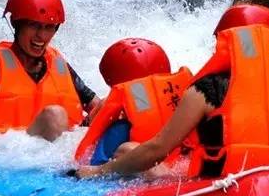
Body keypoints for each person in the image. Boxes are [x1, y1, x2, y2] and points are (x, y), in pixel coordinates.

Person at [74, 3, 269, 179]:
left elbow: (157, 149)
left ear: (226, 42)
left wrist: (99, 171)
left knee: (128, 150)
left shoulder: (206, 90)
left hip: (219, 185)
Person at [0, 0, 100, 141]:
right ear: (16, 23)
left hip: (65, 152)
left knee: (107, 105)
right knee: (54, 115)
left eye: (49, 27)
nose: (42, 36)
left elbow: (96, 106)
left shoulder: (57, 63)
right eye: (34, 25)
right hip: (9, 152)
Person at [74, 38, 195, 167]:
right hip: (189, 161)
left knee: (125, 149)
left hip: (156, 171)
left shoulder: (120, 126)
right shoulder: (190, 95)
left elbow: (94, 161)